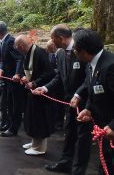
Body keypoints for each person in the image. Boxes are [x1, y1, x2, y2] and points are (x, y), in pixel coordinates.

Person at [33, 24, 92, 174]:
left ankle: (79, 170)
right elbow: (59, 76)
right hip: (68, 103)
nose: (52, 42)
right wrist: (45, 88)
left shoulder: (81, 51)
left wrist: (78, 94)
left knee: (83, 138)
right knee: (69, 132)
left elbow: (89, 78)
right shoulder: (59, 54)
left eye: (53, 39)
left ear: (61, 38)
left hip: (84, 104)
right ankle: (65, 163)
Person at [71, 29, 114, 174]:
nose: (74, 51)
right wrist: (88, 108)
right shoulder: (91, 63)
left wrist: (113, 126)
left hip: (111, 127)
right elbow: (93, 88)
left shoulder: (110, 66)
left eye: (75, 48)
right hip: (103, 126)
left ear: (83, 51)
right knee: (105, 162)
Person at [14, 35, 55, 156]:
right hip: (32, 92)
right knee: (32, 118)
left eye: (16, 47)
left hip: (41, 92)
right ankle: (34, 143)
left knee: (39, 120)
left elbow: (50, 73)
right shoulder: (28, 53)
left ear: (21, 46)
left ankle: (40, 148)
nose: (16, 49)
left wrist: (35, 82)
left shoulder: (39, 52)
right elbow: (28, 71)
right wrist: (23, 77)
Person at [0, 21, 25, 137]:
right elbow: (3, 60)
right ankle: (8, 124)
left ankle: (13, 128)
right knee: (8, 103)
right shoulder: (3, 41)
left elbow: (19, 58)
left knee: (14, 105)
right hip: (6, 79)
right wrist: (0, 69)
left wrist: (17, 73)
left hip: (13, 80)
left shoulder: (11, 40)